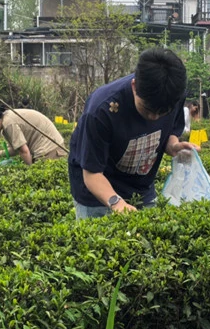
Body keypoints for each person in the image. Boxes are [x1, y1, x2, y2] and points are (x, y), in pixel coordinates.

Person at [69, 47, 198, 219]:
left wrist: (173, 146)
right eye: (148, 110)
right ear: (134, 86)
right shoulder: (102, 110)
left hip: (141, 189)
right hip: (96, 195)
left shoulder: (172, 94)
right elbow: (92, 174)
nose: (154, 118)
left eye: (162, 113)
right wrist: (117, 203)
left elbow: (169, 132)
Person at [0, 107, 67, 165]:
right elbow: (17, 148)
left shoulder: (8, 124)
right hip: (53, 147)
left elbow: (24, 151)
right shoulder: (7, 117)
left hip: (49, 150)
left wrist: (28, 172)